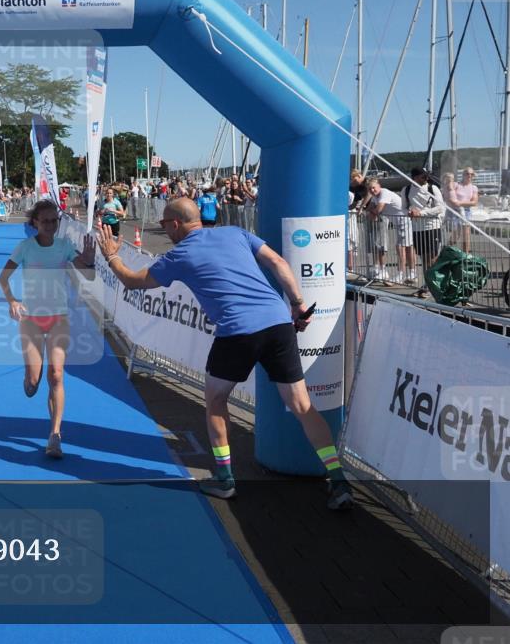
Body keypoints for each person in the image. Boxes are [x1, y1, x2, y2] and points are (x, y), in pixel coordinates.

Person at [97, 199, 353, 509]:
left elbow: (133, 282)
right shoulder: (235, 233)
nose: (164, 230)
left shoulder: (179, 254)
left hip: (237, 332)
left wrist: (111, 256)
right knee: (302, 405)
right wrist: (298, 303)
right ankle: (337, 479)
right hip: (278, 322)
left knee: (216, 402)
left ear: (175, 225)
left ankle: (225, 479)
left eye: (164, 225)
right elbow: (279, 264)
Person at [0, 200, 96, 458]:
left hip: (58, 317)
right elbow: (2, 278)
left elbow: (88, 275)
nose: (51, 225)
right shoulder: (25, 248)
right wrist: (13, 301)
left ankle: (55, 435)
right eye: (46, 221)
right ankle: (30, 379)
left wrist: (90, 260)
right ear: (35, 223)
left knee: (56, 375)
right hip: (30, 318)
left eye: (55, 220)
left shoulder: (64, 247)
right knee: (34, 381)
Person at [404, 167, 445, 293]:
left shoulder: (433, 188)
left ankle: (434, 284)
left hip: (432, 226)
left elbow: (440, 207)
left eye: (426, 176)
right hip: (417, 229)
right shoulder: (406, 190)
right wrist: (410, 211)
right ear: (414, 177)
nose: (426, 178)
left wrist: (421, 213)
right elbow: (403, 208)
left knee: (432, 257)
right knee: (424, 258)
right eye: (423, 176)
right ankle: (428, 283)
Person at [366, 177, 412, 284]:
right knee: (406, 247)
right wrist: (371, 211)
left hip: (404, 220)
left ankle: (401, 275)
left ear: (379, 186)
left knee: (401, 248)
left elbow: (378, 209)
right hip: (396, 222)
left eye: (374, 188)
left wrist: (372, 212)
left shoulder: (384, 193)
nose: (372, 190)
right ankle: (409, 273)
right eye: (370, 189)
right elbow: (370, 208)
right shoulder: (375, 197)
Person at [452, 168, 479, 252]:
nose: (469, 175)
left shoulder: (474, 188)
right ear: (463, 174)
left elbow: (474, 202)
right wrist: (464, 203)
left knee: (466, 234)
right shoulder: (456, 185)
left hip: (466, 211)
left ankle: (466, 254)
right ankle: (446, 249)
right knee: (456, 235)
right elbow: (451, 199)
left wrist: (459, 202)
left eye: (471, 174)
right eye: (467, 173)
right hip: (455, 211)